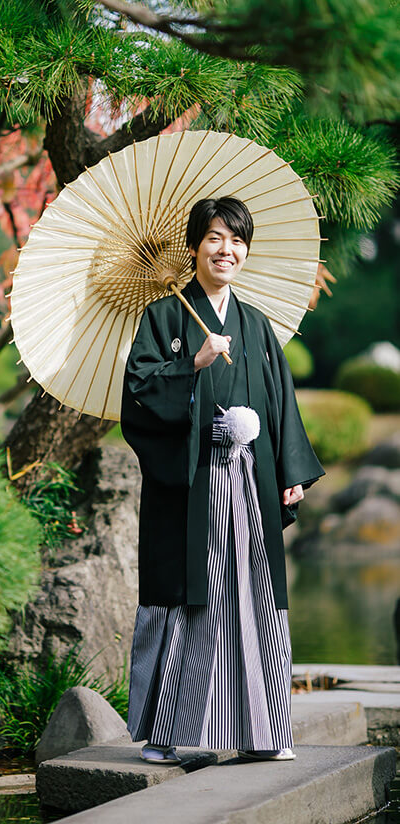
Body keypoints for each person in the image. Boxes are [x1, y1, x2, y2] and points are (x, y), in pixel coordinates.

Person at [121, 196, 324, 764]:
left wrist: (290, 472)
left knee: (251, 599)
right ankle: (167, 735)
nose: (226, 249)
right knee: (188, 599)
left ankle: (261, 733)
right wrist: (193, 364)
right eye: (214, 238)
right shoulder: (163, 317)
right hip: (189, 484)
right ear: (193, 246)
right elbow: (136, 395)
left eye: (236, 240)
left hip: (251, 481)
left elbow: (282, 403)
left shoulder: (256, 325)